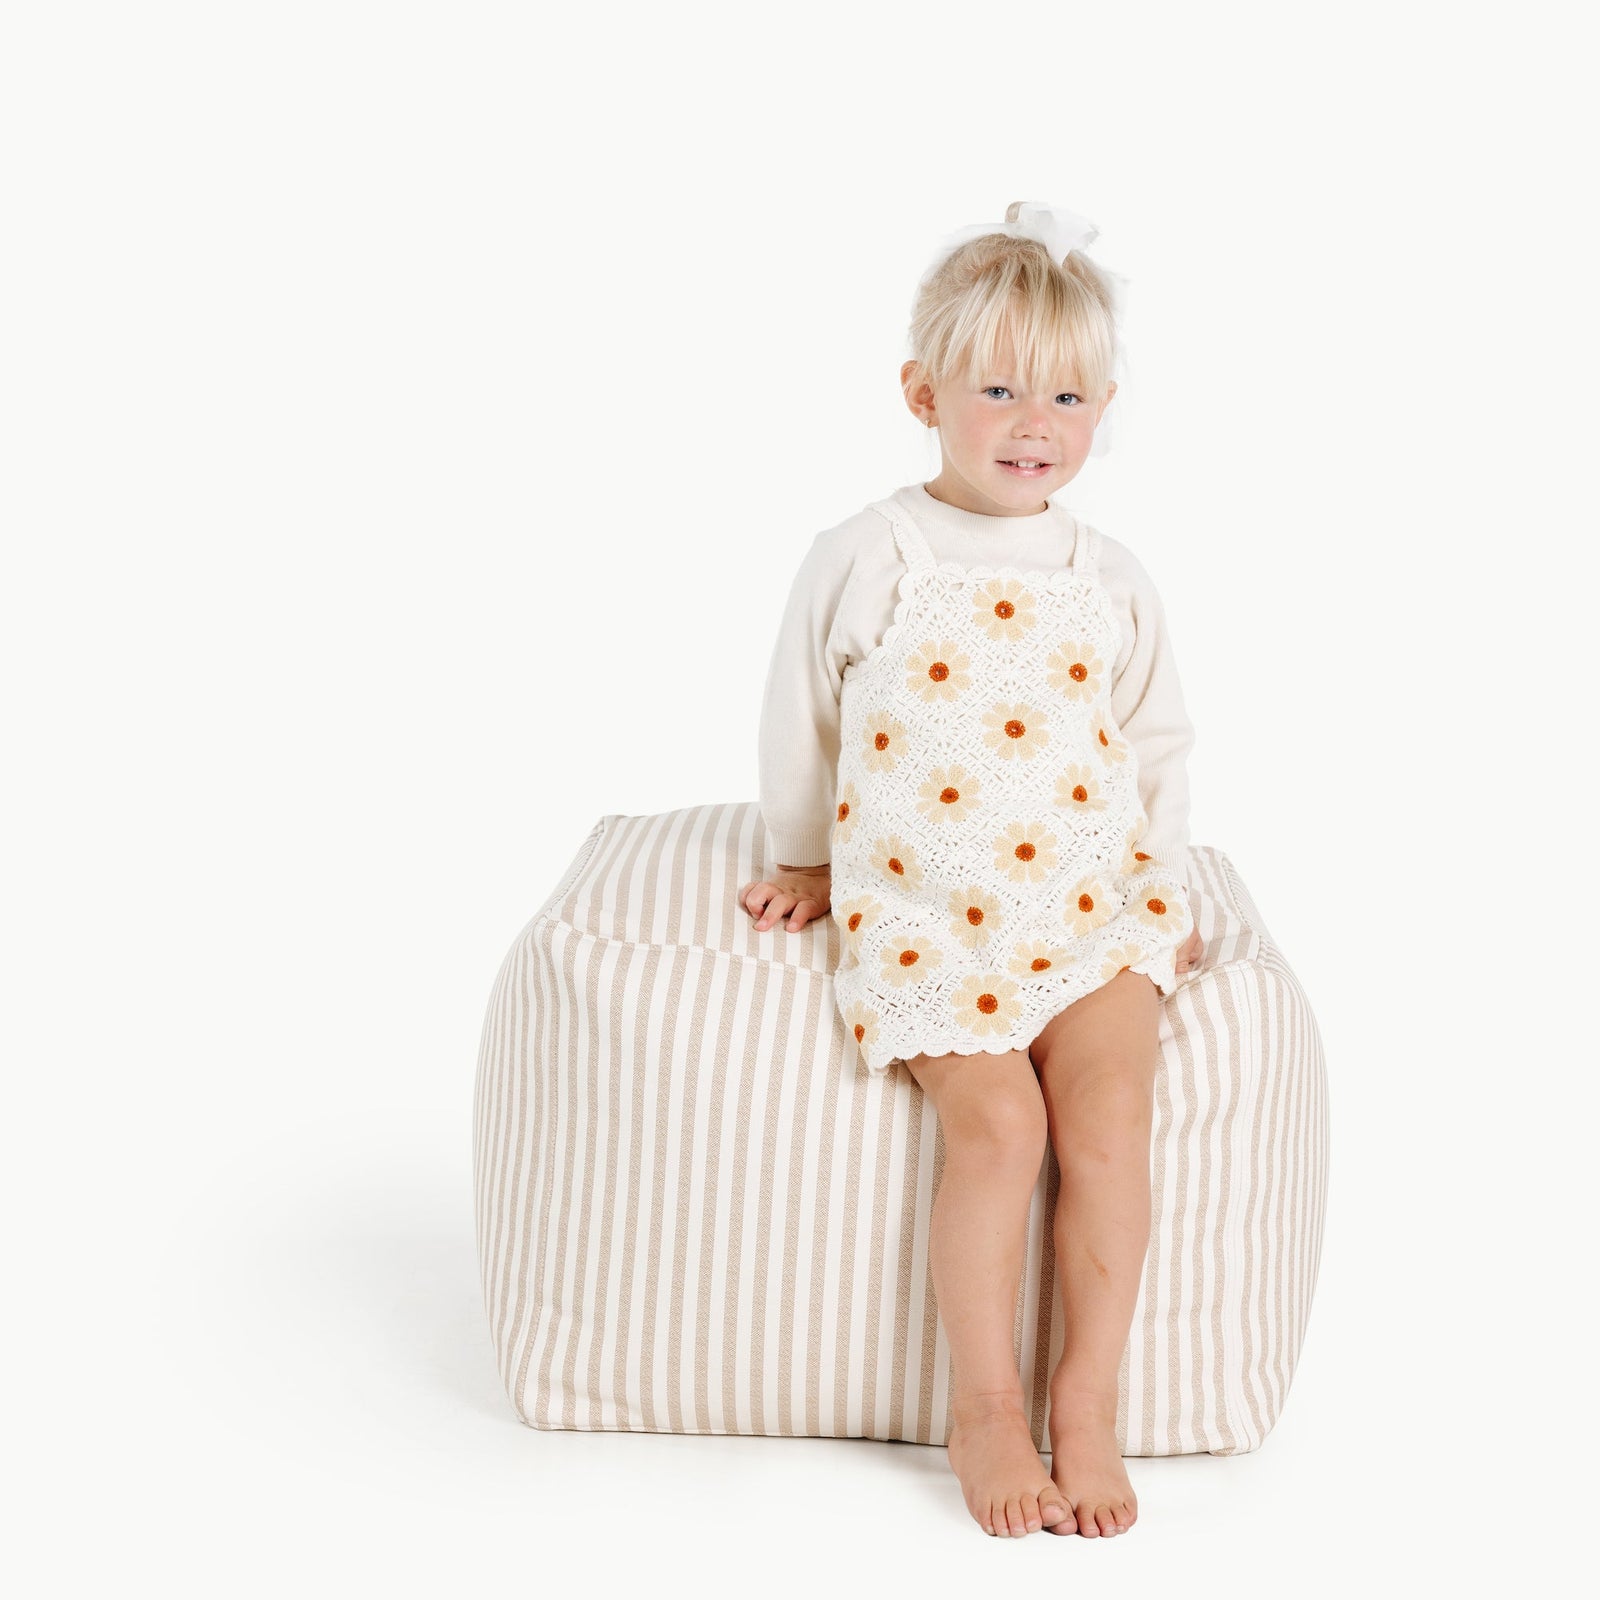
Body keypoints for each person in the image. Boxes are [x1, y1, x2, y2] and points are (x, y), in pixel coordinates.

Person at [739, 201, 1204, 1541]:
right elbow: (802, 718)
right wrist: (806, 859)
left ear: (1104, 409)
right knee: (999, 1129)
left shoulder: (1106, 574)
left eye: (1064, 394)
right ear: (923, 393)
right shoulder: (874, 555)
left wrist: (1158, 896)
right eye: (997, 388)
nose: (1031, 420)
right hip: (935, 912)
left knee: (1108, 1120)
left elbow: (1158, 739)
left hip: (1085, 902)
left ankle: (1086, 1403)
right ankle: (984, 1403)